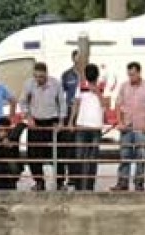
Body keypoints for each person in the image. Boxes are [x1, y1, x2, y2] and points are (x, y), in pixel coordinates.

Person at [112, 61, 145, 192]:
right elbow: (118, 105)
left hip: (141, 127)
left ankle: (139, 183)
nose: (130, 77)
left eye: (133, 74)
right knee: (124, 155)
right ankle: (122, 182)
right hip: (126, 126)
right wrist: (119, 121)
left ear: (139, 72)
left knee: (141, 156)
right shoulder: (123, 86)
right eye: (129, 75)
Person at [21, 62, 67, 191]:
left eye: (41, 77)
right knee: (33, 154)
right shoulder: (29, 84)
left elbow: (62, 103)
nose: (38, 79)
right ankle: (39, 182)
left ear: (46, 74)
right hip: (35, 122)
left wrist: (61, 122)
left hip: (52, 122)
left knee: (57, 154)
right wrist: (28, 118)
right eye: (36, 76)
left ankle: (60, 182)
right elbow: (23, 102)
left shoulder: (56, 84)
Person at [69, 63, 105, 191]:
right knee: (79, 156)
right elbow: (76, 104)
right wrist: (71, 121)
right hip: (81, 125)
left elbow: (106, 104)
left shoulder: (102, 85)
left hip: (95, 127)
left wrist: (98, 93)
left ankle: (90, 186)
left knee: (93, 158)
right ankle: (79, 185)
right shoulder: (81, 86)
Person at [59, 49, 87, 189]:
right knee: (69, 147)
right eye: (77, 58)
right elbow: (62, 96)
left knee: (81, 148)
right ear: (73, 59)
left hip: (84, 114)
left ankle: (79, 177)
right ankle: (69, 177)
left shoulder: (88, 75)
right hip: (70, 114)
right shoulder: (66, 75)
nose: (79, 60)